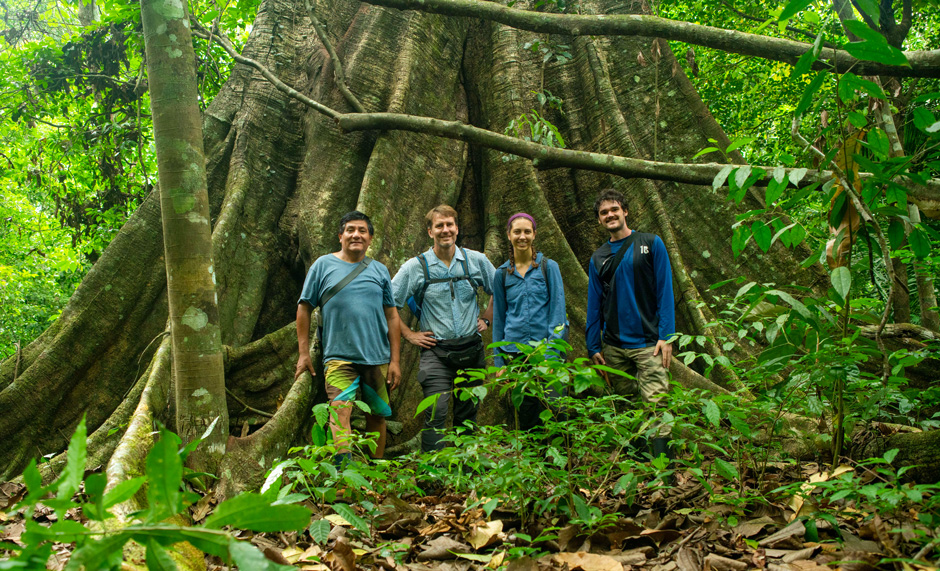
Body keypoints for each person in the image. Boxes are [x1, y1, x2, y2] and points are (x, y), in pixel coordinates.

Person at [296, 211, 401, 465]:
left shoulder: (379, 270)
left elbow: (392, 317)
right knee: (339, 412)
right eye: (351, 230)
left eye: (362, 231)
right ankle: (344, 474)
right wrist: (303, 354)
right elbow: (304, 308)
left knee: (377, 415)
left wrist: (395, 360)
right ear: (340, 235)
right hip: (338, 357)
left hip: (376, 357)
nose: (356, 235)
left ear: (370, 238)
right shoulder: (322, 265)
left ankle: (376, 471)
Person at [392, 205, 496, 452]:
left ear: (457, 229)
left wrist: (488, 319)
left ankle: (467, 472)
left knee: (468, 415)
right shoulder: (415, 267)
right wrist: (408, 334)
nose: (445, 230)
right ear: (430, 232)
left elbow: (500, 291)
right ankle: (433, 476)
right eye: (439, 226)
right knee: (436, 413)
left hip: (472, 350)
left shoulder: (476, 261)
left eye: (450, 225)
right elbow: (387, 304)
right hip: (435, 353)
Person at [585, 188, 675, 460]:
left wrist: (667, 335)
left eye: (614, 209)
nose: (610, 215)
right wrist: (592, 346)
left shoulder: (651, 243)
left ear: (625, 211)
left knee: (657, 404)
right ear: (599, 220)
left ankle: (666, 475)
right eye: (604, 212)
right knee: (626, 407)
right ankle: (638, 469)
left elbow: (665, 289)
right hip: (613, 348)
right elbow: (594, 304)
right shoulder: (598, 257)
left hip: (650, 344)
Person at [492, 212, 567, 431]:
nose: (522, 236)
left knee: (555, 409)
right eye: (517, 232)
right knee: (525, 414)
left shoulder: (548, 267)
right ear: (508, 235)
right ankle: (532, 464)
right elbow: (499, 320)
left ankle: (558, 463)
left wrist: (551, 355)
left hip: (546, 351)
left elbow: (558, 314)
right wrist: (500, 362)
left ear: (534, 234)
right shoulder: (502, 274)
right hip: (516, 355)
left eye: (527, 231)